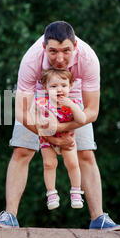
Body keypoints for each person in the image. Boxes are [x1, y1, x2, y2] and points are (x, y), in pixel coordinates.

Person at [0, 21, 120, 231]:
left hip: (73, 99)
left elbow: (92, 111)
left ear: (75, 47)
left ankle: (98, 218)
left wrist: (61, 131)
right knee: (22, 150)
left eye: (66, 51)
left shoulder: (88, 59)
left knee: (86, 154)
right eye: (53, 51)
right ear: (44, 47)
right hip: (38, 97)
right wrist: (49, 136)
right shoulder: (31, 59)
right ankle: (9, 216)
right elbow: (21, 111)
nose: (60, 58)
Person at [35, 68, 85, 210]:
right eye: (54, 86)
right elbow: (44, 127)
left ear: (70, 86)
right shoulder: (41, 103)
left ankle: (76, 191)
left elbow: (82, 120)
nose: (59, 90)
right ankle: (51, 193)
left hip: (67, 139)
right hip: (48, 140)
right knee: (49, 164)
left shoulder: (72, 103)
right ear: (45, 88)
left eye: (63, 85)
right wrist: (53, 137)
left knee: (73, 163)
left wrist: (72, 106)